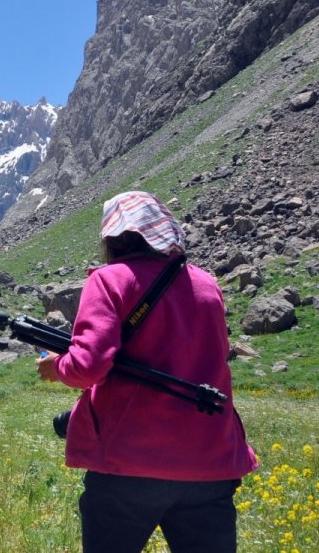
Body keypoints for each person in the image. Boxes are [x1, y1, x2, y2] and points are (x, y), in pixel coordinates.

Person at [37, 191, 257, 553]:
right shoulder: (207, 284)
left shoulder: (109, 280)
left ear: (111, 237)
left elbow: (87, 367)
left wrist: (56, 365)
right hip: (211, 460)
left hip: (128, 463)